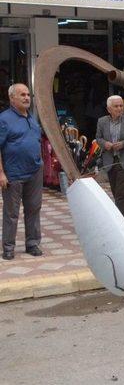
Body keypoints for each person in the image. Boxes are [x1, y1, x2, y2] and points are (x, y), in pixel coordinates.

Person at [0, 84, 43, 260]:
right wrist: (1, 173)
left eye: (28, 94)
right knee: (11, 212)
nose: (27, 97)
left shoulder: (32, 117)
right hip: (13, 173)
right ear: (12, 98)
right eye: (22, 95)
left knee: (34, 209)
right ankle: (8, 247)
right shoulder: (4, 119)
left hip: (35, 171)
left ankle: (32, 244)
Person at [96, 95, 124, 223]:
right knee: (117, 192)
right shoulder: (102, 121)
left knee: (121, 194)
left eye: (121, 105)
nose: (120, 108)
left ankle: (117, 220)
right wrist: (105, 144)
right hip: (110, 160)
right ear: (109, 109)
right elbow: (98, 138)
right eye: (116, 106)